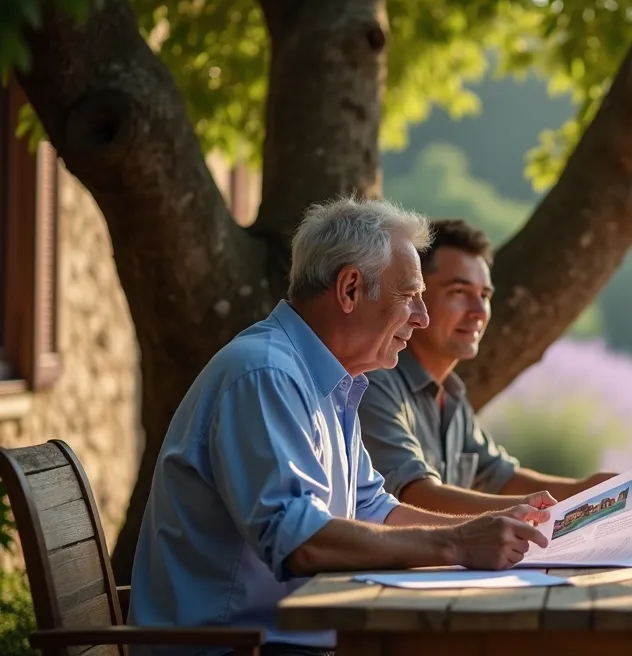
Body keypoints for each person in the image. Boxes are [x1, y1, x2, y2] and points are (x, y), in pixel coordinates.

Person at [128, 198, 550, 656]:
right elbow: (300, 542)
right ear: (350, 289)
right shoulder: (265, 374)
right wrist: (459, 542)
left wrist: (490, 525)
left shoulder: (326, 381)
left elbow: (376, 510)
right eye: (409, 295)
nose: (421, 317)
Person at [357, 218, 615, 516]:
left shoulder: (451, 394)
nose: (479, 312)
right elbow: (415, 494)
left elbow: (499, 477)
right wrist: (527, 509)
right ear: (416, 295)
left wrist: (589, 489)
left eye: (485, 296)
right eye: (459, 292)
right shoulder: (375, 383)